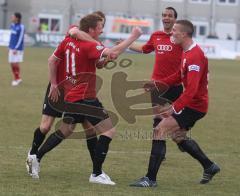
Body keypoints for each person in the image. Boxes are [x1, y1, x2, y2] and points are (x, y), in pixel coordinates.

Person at [27, 14, 142, 185]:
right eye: (100, 27)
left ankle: (36, 156)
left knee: (66, 130)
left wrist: (104, 59)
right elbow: (112, 51)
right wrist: (133, 36)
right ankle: (96, 174)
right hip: (85, 97)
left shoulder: (68, 41)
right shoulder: (89, 45)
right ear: (90, 30)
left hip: (71, 96)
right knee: (109, 130)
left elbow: (96, 62)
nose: (102, 30)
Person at [130, 20, 220, 187]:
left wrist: (174, 108)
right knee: (177, 136)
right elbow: (179, 76)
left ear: (184, 34)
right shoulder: (187, 51)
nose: (172, 33)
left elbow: (191, 90)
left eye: (175, 31)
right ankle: (209, 166)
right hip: (192, 104)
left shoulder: (194, 56)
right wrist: (157, 84)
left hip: (195, 106)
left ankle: (150, 179)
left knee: (159, 129)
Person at [26, 23, 99, 177]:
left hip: (77, 92)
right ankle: (33, 155)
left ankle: (97, 172)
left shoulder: (88, 43)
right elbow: (52, 60)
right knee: (45, 127)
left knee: (90, 129)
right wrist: (53, 84)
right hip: (57, 89)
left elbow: (96, 63)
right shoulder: (70, 37)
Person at [128, 7, 183, 164]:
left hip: (176, 86)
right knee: (158, 118)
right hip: (157, 86)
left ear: (175, 19)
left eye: (170, 16)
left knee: (178, 123)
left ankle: (183, 141)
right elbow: (145, 49)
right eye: (164, 15)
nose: (166, 18)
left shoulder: (179, 37)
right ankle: (160, 152)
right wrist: (127, 44)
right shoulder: (156, 35)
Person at [8, 12, 25, 86]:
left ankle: (17, 79)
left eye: (13, 16)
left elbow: (21, 38)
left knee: (15, 63)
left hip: (18, 49)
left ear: (17, 18)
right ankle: (17, 78)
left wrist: (16, 48)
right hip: (11, 47)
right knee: (11, 63)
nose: (12, 18)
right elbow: (11, 37)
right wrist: (9, 46)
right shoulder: (12, 26)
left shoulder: (21, 27)